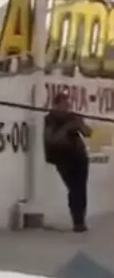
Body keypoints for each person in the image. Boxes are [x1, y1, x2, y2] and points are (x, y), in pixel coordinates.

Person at [44, 91, 91, 232]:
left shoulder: (72, 117)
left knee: (81, 188)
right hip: (63, 157)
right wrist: (67, 127)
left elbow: (88, 133)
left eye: (67, 104)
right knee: (74, 188)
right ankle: (77, 219)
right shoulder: (51, 119)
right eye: (63, 104)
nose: (66, 107)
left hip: (79, 156)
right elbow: (51, 139)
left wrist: (81, 123)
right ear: (56, 105)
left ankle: (80, 220)